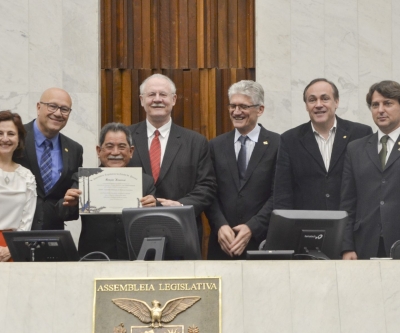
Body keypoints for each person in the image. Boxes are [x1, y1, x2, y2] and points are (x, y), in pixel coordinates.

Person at [127, 74, 216, 238]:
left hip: (181, 230)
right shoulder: (125, 138)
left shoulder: (196, 142)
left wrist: (180, 205)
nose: (157, 99)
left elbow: (206, 187)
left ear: (174, 99)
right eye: (151, 94)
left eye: (163, 94)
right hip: (133, 231)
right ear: (141, 100)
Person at [205, 81, 280, 259]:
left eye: (243, 106)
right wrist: (220, 225)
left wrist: (252, 228)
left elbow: (279, 194)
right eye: (233, 105)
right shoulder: (216, 145)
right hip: (223, 243)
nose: (236, 112)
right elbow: (208, 191)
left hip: (262, 242)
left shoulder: (279, 144)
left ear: (260, 109)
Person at [63, 123, 158, 260]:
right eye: (109, 146)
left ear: (131, 151)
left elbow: (156, 221)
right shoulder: (84, 179)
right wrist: (69, 203)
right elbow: (66, 213)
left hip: (135, 259)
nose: (115, 152)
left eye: (121, 147)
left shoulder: (145, 181)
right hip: (94, 258)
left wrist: (154, 206)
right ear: (98, 150)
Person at [274, 78, 372, 210]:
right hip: (307, 224)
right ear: (306, 105)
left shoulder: (360, 133)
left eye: (325, 98)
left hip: (349, 223)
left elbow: (368, 184)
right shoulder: (289, 139)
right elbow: (283, 192)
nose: (318, 104)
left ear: (336, 102)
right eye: (312, 100)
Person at [341, 80, 400, 260]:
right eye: (375, 105)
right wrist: (346, 246)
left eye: (388, 103)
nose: (380, 110)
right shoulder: (355, 149)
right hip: (364, 245)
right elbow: (347, 203)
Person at [14, 87, 83, 230]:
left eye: (64, 109)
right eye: (52, 106)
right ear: (38, 107)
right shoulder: (15, 138)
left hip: (53, 235)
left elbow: (69, 204)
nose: (58, 113)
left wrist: (71, 203)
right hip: (13, 233)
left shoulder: (74, 150)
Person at [0, 111, 37, 262]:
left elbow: (27, 220)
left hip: (14, 249)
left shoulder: (27, 176)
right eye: (0, 133)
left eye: (11, 133)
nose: (5, 138)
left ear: (19, 138)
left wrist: (11, 248)